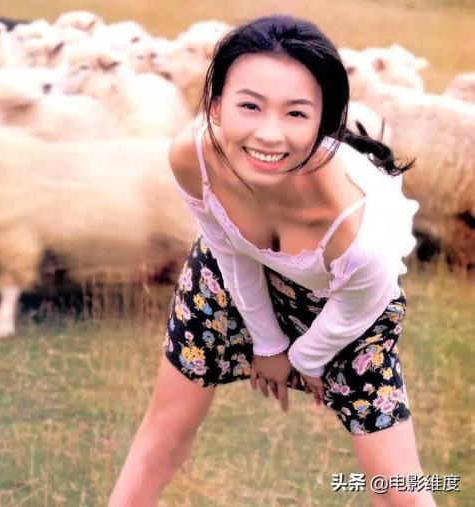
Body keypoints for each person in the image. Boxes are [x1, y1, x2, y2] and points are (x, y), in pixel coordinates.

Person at [109, 15, 435, 507]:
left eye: (296, 113)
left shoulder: (362, 231)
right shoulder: (192, 155)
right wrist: (267, 344)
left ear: (324, 121)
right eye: (250, 105)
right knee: (165, 428)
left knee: (398, 487)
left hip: (345, 306)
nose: (269, 134)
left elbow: (358, 306)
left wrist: (305, 358)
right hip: (227, 275)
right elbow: (227, 246)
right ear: (216, 106)